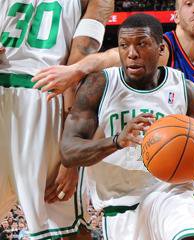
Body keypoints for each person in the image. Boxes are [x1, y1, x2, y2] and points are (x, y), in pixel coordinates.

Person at [32, 0, 194, 239]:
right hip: (148, 175)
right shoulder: (157, 52)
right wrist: (77, 70)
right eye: (188, 4)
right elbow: (110, 57)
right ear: (175, 15)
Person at [61, 13, 194, 240]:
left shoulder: (184, 89)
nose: (131, 54)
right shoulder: (99, 85)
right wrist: (116, 141)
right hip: (119, 205)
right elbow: (68, 151)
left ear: (160, 49)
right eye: (124, 45)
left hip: (169, 193)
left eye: (141, 44)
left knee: (190, 233)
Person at [0, 0, 114, 239]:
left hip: (42, 89)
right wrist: (69, 156)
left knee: (68, 227)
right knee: (68, 228)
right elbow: (79, 67)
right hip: (47, 99)